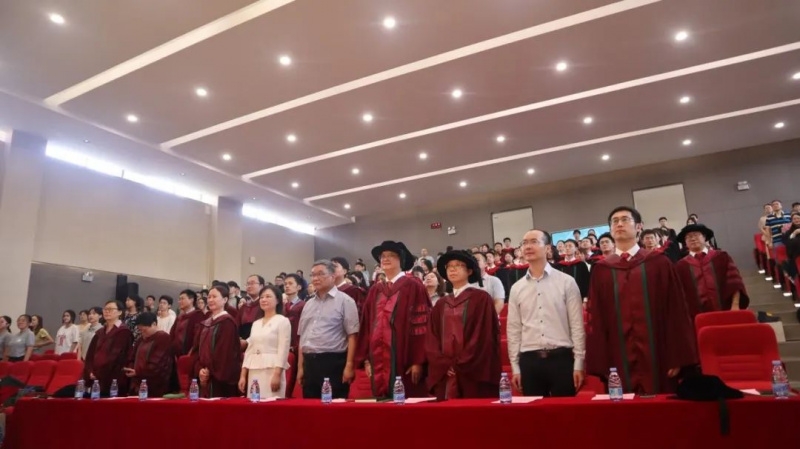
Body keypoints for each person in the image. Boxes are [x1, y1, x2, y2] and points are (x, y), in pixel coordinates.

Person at [586, 206, 697, 395]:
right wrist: (602, 360)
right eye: (614, 221)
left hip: (658, 352)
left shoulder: (659, 263)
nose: (619, 224)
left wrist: (676, 356)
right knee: (622, 407)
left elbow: (676, 309)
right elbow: (597, 317)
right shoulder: (602, 270)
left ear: (639, 227)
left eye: (625, 219)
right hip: (618, 355)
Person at [508, 230, 586, 397]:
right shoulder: (516, 288)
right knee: (533, 412)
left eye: (534, 241)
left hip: (561, 359)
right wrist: (515, 367)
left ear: (548, 248)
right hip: (529, 361)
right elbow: (514, 329)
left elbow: (577, 325)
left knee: (565, 411)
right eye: (524, 243)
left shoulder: (566, 282)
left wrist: (579, 363)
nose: (528, 246)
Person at [357, 241, 430, 398]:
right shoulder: (375, 290)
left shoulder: (413, 286)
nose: (385, 259)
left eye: (391, 255)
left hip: (404, 359)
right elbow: (367, 326)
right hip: (377, 359)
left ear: (401, 260)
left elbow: (423, 326)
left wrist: (418, 361)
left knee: (406, 403)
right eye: (383, 256)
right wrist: (367, 359)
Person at [427, 251, 500, 399]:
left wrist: (459, 364)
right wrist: (443, 364)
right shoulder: (441, 304)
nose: (453, 269)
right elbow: (432, 337)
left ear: (470, 271)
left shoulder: (481, 299)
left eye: (459, 265)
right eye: (449, 266)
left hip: (473, 370)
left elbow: (483, 336)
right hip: (446, 372)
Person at [297, 260, 359, 399]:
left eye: (320, 274)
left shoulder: (346, 301)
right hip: (309, 363)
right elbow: (303, 337)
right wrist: (300, 368)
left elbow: (352, 336)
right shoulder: (308, 304)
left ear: (333, 276)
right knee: (310, 407)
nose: (315, 278)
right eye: (313, 275)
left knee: (333, 407)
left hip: (333, 362)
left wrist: (349, 365)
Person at [675, 224, 749, 316]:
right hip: (697, 316)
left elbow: (735, 283)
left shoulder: (721, 257)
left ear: (704, 238)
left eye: (696, 235)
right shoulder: (681, 266)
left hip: (726, 310)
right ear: (685, 242)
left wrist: (735, 305)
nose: (693, 239)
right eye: (688, 237)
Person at [240, 285, 291, 399]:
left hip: (272, 370)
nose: (264, 300)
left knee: (271, 403)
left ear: (277, 300)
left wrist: (277, 374)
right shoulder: (256, 323)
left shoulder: (282, 321)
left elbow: (283, 350)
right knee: (254, 403)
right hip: (254, 369)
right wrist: (243, 375)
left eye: (268, 296)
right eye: (262, 297)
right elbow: (250, 350)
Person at [192, 285, 242, 398]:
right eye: (209, 297)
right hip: (204, 375)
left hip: (220, 379)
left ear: (225, 300)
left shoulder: (227, 323)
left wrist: (209, 371)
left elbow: (224, 354)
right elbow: (196, 350)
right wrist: (200, 370)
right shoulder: (205, 323)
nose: (210, 300)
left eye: (214, 297)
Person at [83, 300, 134, 396]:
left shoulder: (124, 332)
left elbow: (117, 357)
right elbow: (90, 355)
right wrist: (90, 371)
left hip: (113, 378)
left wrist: (99, 372)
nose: (107, 311)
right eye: (105, 309)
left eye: (110, 309)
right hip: (96, 378)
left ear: (120, 312)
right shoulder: (100, 332)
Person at [124, 312, 174, 397]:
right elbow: (132, 357)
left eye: (144, 330)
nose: (142, 332)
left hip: (155, 384)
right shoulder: (141, 340)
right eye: (140, 330)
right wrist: (130, 368)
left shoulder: (163, 338)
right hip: (137, 381)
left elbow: (158, 362)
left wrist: (138, 372)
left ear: (154, 324)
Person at [282, 273, 305, 397]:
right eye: (285, 284)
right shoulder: (282, 307)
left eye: (290, 284)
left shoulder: (303, 306)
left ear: (299, 287)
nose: (287, 286)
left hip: (297, 346)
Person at [170, 290, 206, 357]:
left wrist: (191, 353)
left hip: (189, 355)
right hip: (175, 355)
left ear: (191, 300)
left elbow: (198, 338)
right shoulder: (180, 317)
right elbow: (172, 334)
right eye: (179, 299)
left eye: (182, 299)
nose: (179, 301)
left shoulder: (198, 315)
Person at [238, 275, 265, 339]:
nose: (249, 286)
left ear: (261, 286)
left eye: (252, 283)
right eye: (247, 284)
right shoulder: (244, 306)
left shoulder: (265, 305)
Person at [782, 212, 800, 278]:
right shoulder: (788, 232)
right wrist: (794, 233)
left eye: (798, 218)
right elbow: (788, 243)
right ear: (792, 220)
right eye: (794, 219)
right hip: (795, 255)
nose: (796, 220)